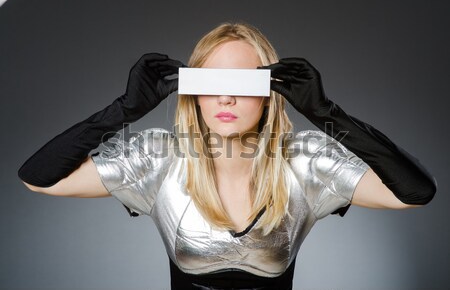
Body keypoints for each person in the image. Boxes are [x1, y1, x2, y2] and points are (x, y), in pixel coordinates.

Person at [18, 23, 436, 290]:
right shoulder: (159, 158)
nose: (226, 97)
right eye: (212, 81)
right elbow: (39, 178)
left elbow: (415, 192)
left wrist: (328, 115)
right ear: (192, 91)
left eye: (244, 83)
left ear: (272, 93)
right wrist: (123, 110)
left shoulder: (307, 161)